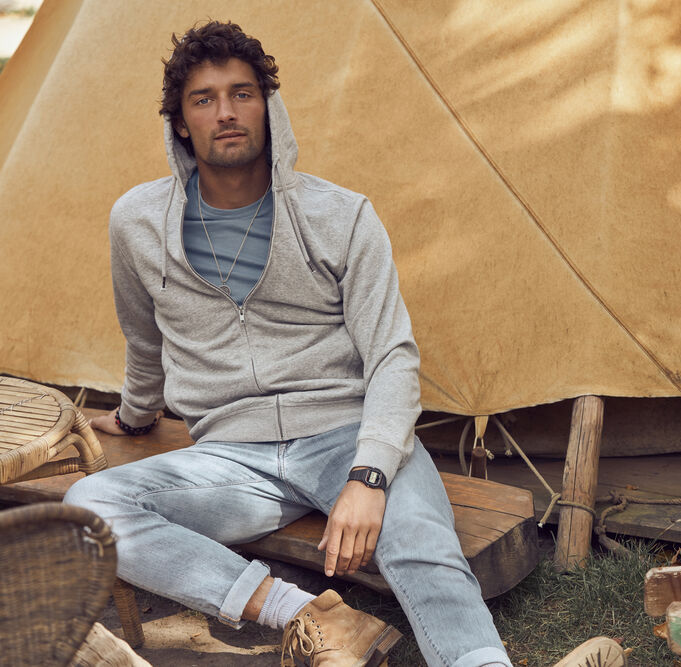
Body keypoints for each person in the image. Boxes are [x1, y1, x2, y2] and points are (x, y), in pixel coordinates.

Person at [64, 20, 513, 667]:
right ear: (180, 123)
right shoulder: (136, 221)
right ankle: (310, 616)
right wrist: (135, 415)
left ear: (268, 107)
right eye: (204, 98)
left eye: (242, 94)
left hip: (346, 434)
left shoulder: (342, 215)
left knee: (420, 539)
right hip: (232, 461)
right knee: (90, 506)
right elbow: (143, 337)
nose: (226, 112)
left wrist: (370, 474)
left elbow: (392, 355)